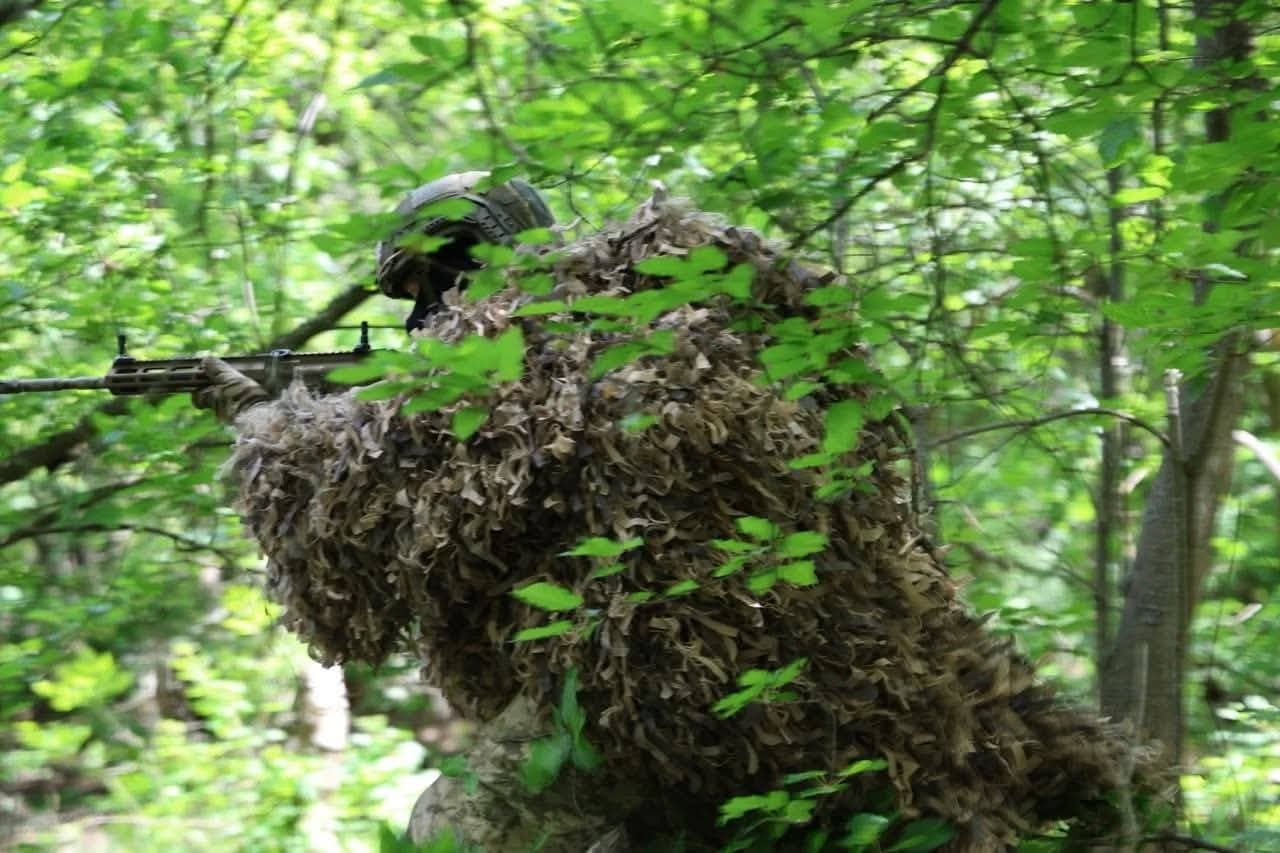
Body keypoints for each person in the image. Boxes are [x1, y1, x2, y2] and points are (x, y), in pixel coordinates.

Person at [194, 171, 554, 420]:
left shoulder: (549, 366)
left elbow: (345, 491)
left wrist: (255, 415)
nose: (417, 322)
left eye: (428, 290)